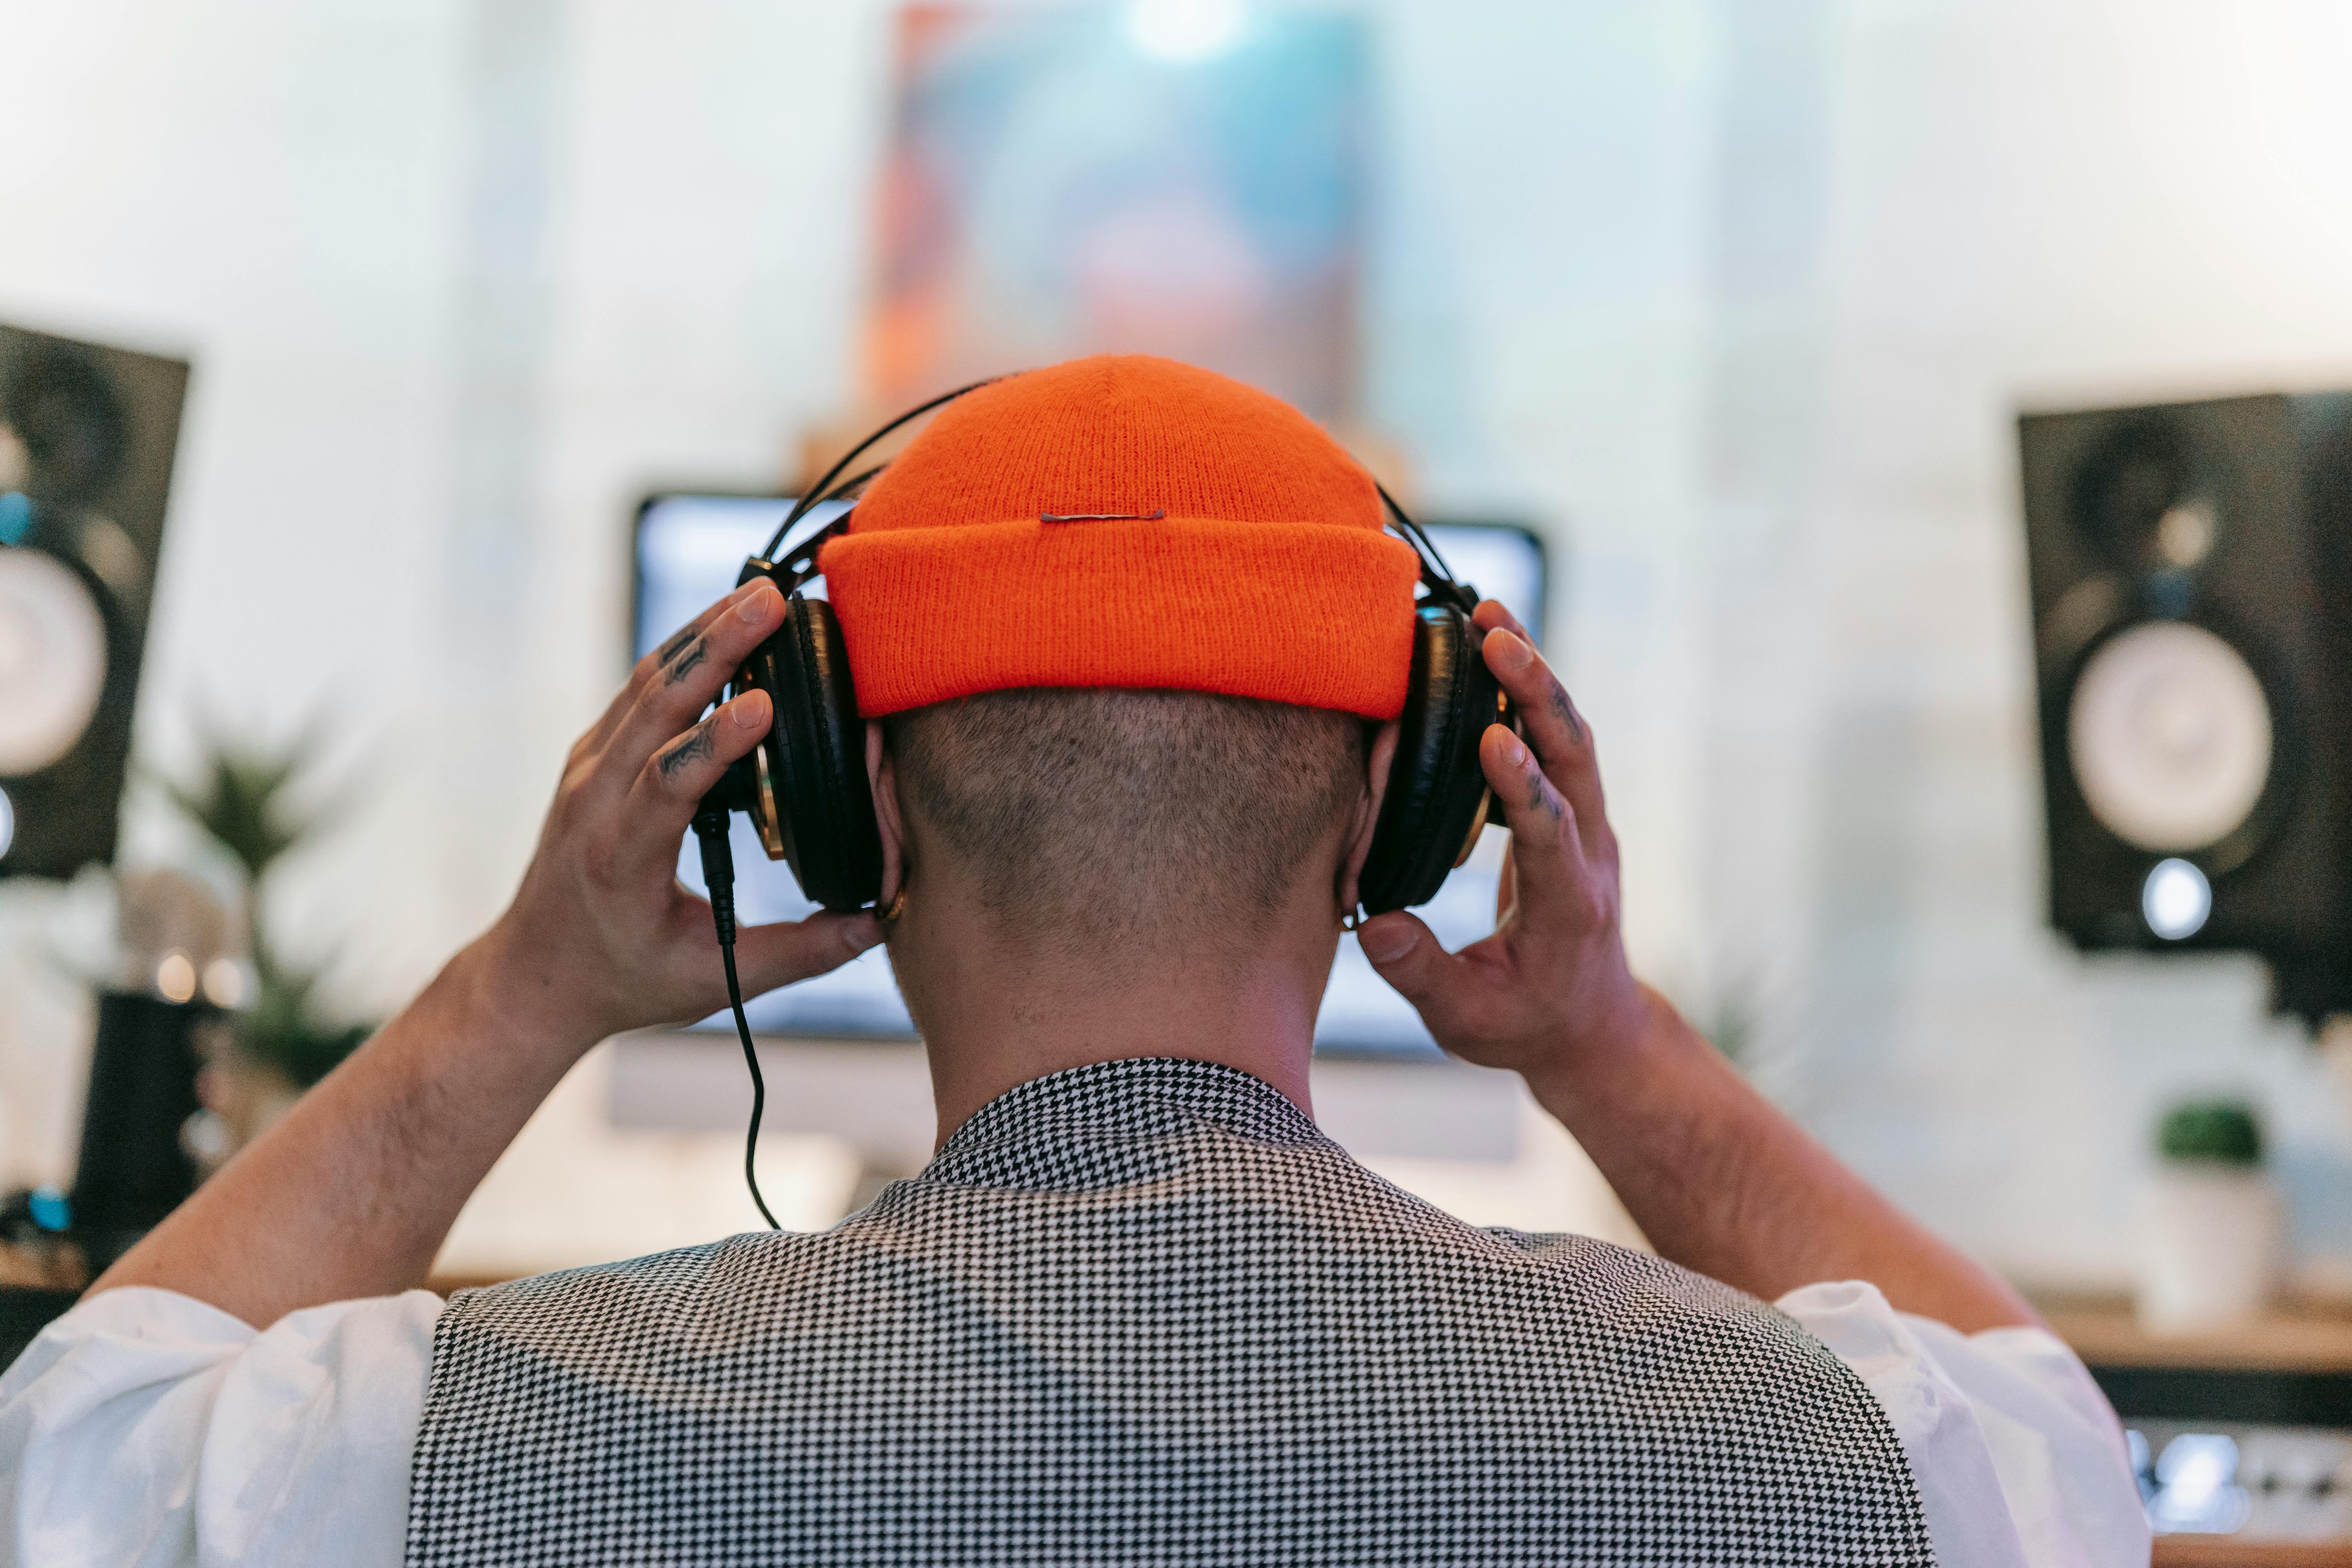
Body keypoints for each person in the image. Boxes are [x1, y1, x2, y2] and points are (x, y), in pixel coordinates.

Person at [1, 357, 2145, 1566]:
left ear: (853, 809)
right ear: (1402, 818)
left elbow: (73, 1453)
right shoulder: (1824, 1461)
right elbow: (2066, 1454)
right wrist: (1607, 1042)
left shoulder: (458, 1446)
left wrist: (523, 991)